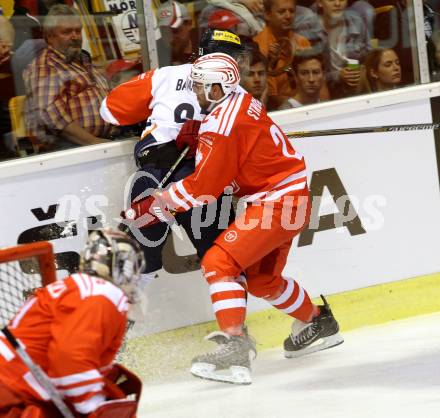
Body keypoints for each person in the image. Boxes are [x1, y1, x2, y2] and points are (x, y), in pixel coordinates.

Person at [123, 53, 344, 385]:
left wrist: (160, 203)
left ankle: (234, 346)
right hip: (291, 199)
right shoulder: (239, 100)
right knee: (261, 281)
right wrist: (200, 138)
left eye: (200, 87)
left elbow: (204, 189)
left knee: (218, 263)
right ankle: (317, 323)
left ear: (218, 88)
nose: (195, 93)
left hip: (276, 204)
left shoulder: (222, 125)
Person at [100, 29, 245, 288]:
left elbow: (109, 111)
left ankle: (120, 326)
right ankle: (235, 328)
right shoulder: (239, 94)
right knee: (224, 261)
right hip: (204, 180)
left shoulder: (165, 76)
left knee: (141, 263)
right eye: (233, 56)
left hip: (155, 173)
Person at [0, 229, 144, 417]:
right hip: (13, 392)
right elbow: (69, 359)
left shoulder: (77, 287)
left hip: (15, 387)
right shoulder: (100, 294)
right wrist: (95, 406)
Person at [23, 4, 114, 150]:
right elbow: (50, 115)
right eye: (67, 32)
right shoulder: (46, 67)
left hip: (105, 141)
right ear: (49, 37)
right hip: (72, 149)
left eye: (78, 31)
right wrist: (93, 141)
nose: (75, 36)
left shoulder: (81, 59)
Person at [253, 0, 311, 109]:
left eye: (292, 11)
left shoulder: (303, 42)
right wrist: (298, 105)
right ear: (267, 14)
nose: (288, 16)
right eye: (282, 12)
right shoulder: (259, 46)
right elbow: (271, 96)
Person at [316, 0, 371, 98]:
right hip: (325, 89)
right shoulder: (312, 30)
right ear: (319, 2)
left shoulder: (357, 22)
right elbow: (309, 76)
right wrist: (338, 76)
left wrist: (359, 69)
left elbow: (369, 56)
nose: (337, 4)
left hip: (355, 87)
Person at [156, 0, 199, 66]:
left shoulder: (207, 40)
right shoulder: (154, 52)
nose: (171, 39)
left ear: (189, 24)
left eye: (175, 31)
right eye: (164, 32)